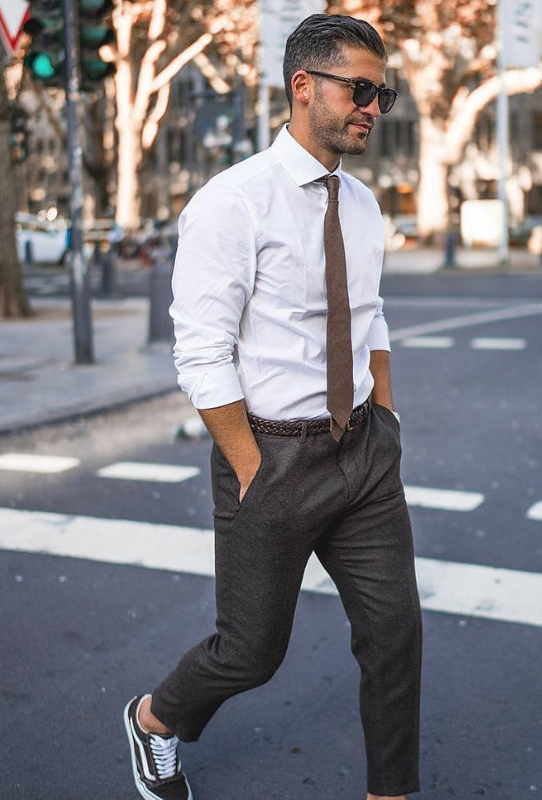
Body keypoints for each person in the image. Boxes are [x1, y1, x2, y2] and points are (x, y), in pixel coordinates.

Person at [122, 13, 422, 800]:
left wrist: (384, 418)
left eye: (380, 93)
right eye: (360, 89)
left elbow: (372, 315)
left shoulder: (362, 205)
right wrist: (254, 468)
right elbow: (200, 355)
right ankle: (156, 719)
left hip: (361, 454)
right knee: (251, 654)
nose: (372, 106)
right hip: (273, 458)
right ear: (303, 87)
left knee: (395, 636)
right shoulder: (233, 203)